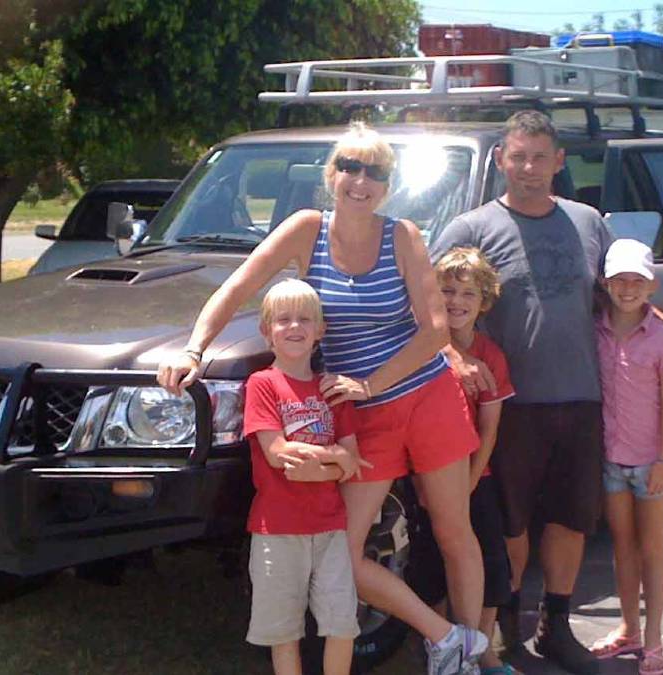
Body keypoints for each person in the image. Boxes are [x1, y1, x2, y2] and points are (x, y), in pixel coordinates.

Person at [158, 123, 488, 675]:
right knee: (344, 555)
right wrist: (194, 349)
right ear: (332, 175)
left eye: (375, 172)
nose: (361, 181)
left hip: (426, 396)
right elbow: (238, 287)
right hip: (359, 417)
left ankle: (469, 656)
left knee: (455, 531)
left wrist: (373, 382)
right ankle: (447, 637)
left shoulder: (402, 235)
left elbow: (434, 331)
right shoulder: (306, 230)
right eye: (351, 168)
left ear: (387, 184)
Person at [430, 110, 663, 675]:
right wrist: (453, 355)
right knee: (512, 523)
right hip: (505, 408)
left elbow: (620, 295)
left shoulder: (587, 223)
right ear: (501, 159)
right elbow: (433, 305)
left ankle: (557, 624)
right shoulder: (471, 229)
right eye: (517, 156)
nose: (528, 168)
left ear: (559, 162)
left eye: (540, 157)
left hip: (582, 401)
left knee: (570, 520)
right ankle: (506, 629)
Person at [242, 279, 367, 675]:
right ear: (267, 331)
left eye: (304, 319)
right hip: (277, 529)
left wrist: (325, 463)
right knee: (283, 632)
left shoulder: (331, 389)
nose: (294, 327)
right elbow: (277, 454)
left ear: (320, 330)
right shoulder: (263, 384)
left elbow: (353, 458)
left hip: (331, 527)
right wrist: (332, 460)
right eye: (283, 320)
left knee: (342, 623)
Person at [407, 247, 520, 674]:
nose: (456, 301)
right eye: (447, 291)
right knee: (427, 563)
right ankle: (436, 642)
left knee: (491, 563)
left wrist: (472, 481)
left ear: (484, 302)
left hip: (477, 476)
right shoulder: (424, 351)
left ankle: (480, 650)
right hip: (428, 476)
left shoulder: (491, 356)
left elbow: (490, 428)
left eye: (467, 294)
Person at [588, 240, 663, 675]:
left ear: (652, 285)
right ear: (605, 284)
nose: (628, 289)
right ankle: (629, 629)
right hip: (611, 458)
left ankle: (655, 637)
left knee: (652, 547)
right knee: (622, 546)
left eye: (637, 280)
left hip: (649, 461)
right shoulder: (597, 329)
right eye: (619, 280)